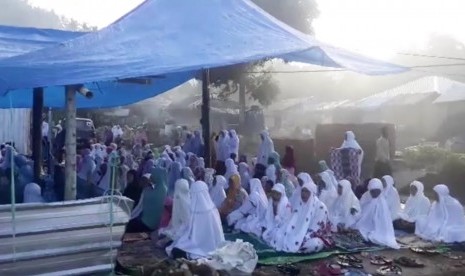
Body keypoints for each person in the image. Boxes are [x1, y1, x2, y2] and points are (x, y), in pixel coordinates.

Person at [167, 181, 224, 259]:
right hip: (213, 245)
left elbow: (188, 229)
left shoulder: (195, 210)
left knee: (176, 249)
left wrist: (178, 236)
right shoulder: (213, 209)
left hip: (196, 245)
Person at [272, 182, 333, 253]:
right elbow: (292, 221)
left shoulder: (320, 207)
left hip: (315, 236)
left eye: (306, 192)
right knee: (278, 234)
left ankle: (300, 247)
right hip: (299, 233)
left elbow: (316, 229)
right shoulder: (300, 204)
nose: (303, 194)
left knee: (315, 244)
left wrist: (303, 237)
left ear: (312, 193)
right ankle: (298, 247)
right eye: (302, 191)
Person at [355, 178, 399, 249]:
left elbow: (384, 221)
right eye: (373, 191)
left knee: (377, 237)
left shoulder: (382, 202)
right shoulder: (365, 197)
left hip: (377, 227)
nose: (375, 194)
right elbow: (360, 212)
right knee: (359, 232)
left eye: (377, 191)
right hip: (364, 224)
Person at [126, 168, 167, 233]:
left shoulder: (147, 191)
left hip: (146, 223)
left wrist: (128, 218)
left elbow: (138, 208)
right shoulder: (165, 190)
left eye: (152, 175)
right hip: (158, 225)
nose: (151, 177)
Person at [158, 179, 190, 243]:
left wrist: (172, 234)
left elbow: (186, 225)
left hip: (183, 232)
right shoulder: (179, 199)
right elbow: (174, 220)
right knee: (162, 234)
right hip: (177, 230)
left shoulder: (187, 203)